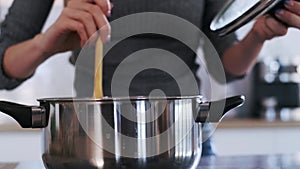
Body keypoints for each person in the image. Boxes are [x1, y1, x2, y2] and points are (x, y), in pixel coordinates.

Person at [0, 0, 300, 156]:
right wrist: (48, 42)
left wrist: (259, 34)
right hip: (94, 143)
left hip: (183, 139)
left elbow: (228, 63)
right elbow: (5, 69)